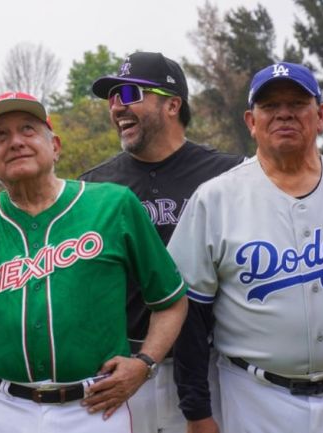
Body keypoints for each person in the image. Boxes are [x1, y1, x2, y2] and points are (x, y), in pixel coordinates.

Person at [0, 90, 188, 433]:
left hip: (95, 406)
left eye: (28, 129)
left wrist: (145, 363)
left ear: (55, 146)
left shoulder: (113, 204)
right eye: (0, 136)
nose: (16, 142)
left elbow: (171, 300)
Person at [168, 62, 323, 433]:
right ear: (251, 122)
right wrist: (196, 411)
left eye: (297, 103)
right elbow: (187, 316)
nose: (283, 112)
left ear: (321, 116)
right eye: (269, 106)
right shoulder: (216, 198)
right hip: (254, 397)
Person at [79, 52, 244, 432]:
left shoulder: (230, 173)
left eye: (129, 92)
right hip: (122, 368)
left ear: (172, 104)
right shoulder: (94, 185)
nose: (117, 104)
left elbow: (294, 186)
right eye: (112, 96)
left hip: (212, 367)